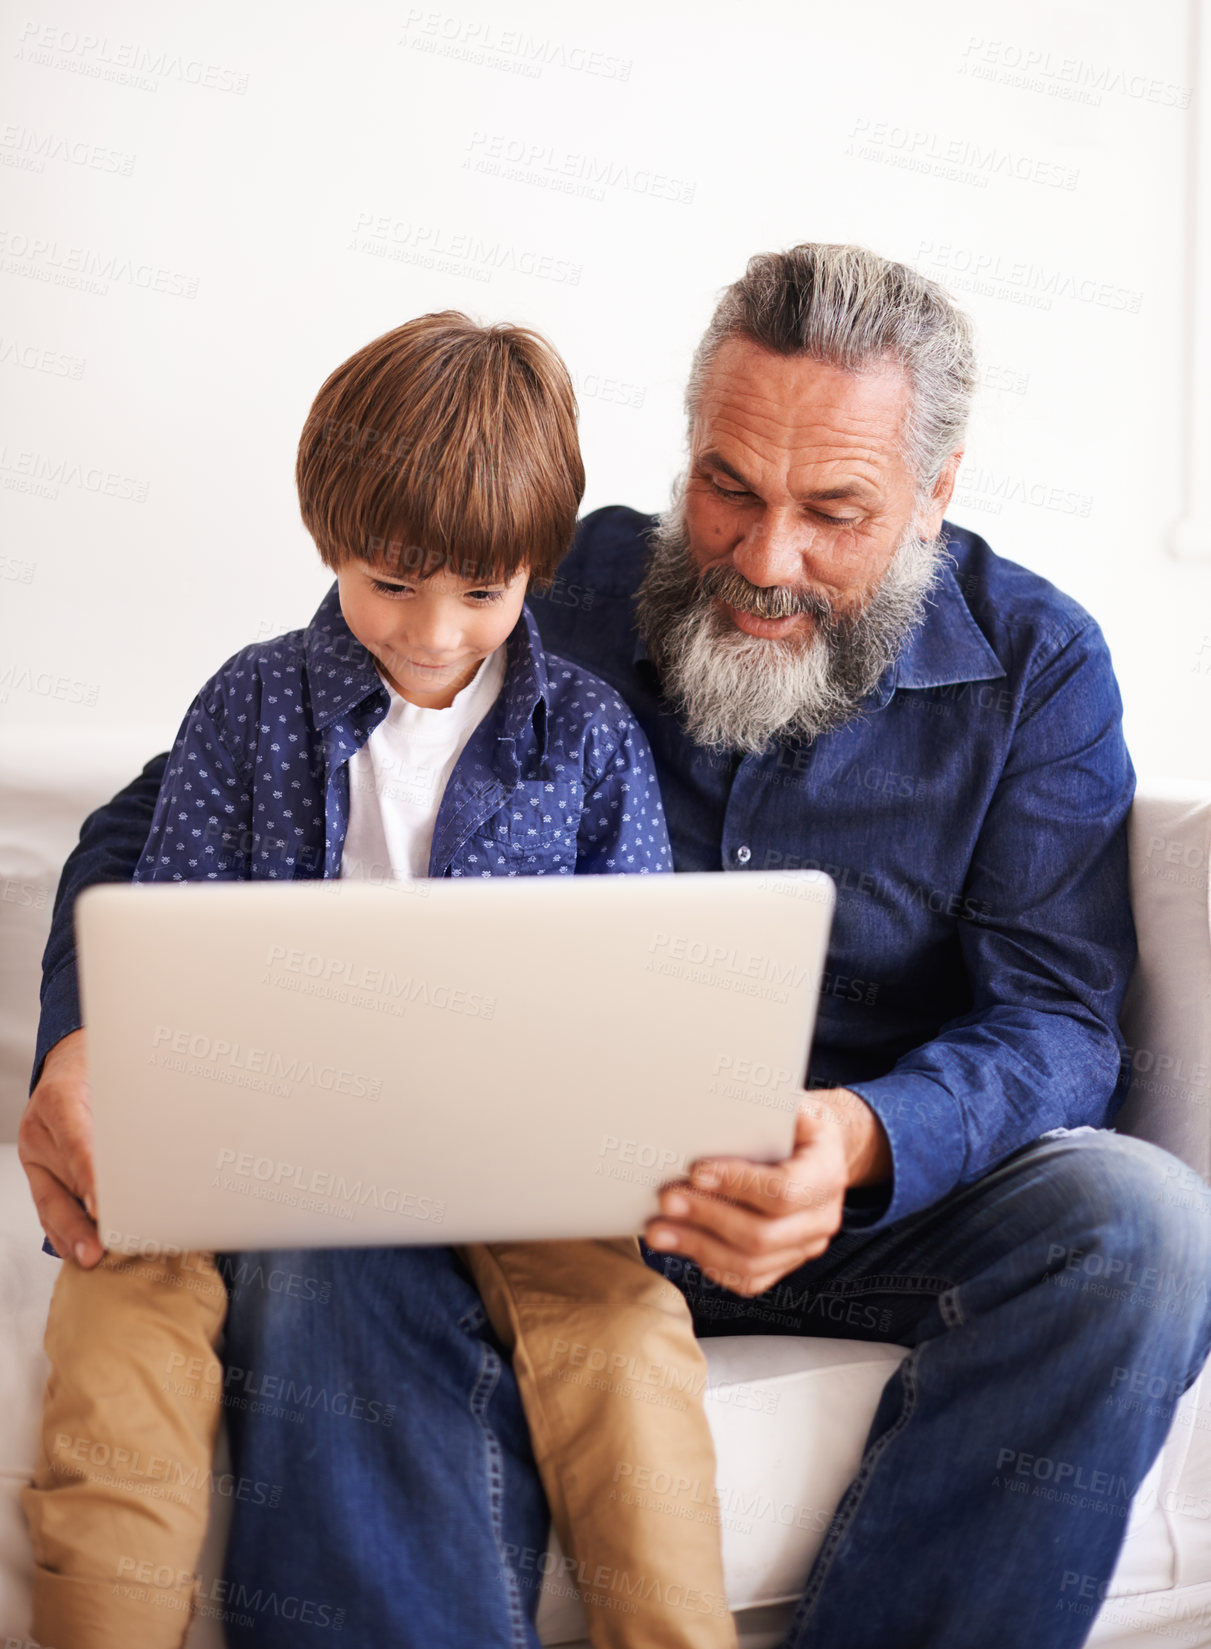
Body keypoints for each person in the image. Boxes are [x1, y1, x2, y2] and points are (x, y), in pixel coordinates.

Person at [20, 242, 1211, 1649]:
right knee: (328, 1228)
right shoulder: (520, 575)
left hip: (838, 1194)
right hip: (525, 1178)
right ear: (688, 444)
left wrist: (863, 1138)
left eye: (835, 509)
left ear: (935, 495)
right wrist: (86, 1037)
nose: (766, 560)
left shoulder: (1038, 671)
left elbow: (1062, 1020)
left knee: (1143, 1232)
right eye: (728, 488)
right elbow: (178, 802)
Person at [19, 313, 736, 1649]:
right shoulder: (248, 704)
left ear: (537, 566)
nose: (432, 631)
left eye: (482, 591)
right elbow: (160, 930)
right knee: (116, 1358)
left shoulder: (586, 737)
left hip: (511, 1161)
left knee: (631, 1344)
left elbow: (640, 981)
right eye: (391, 582)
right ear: (329, 540)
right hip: (239, 1141)